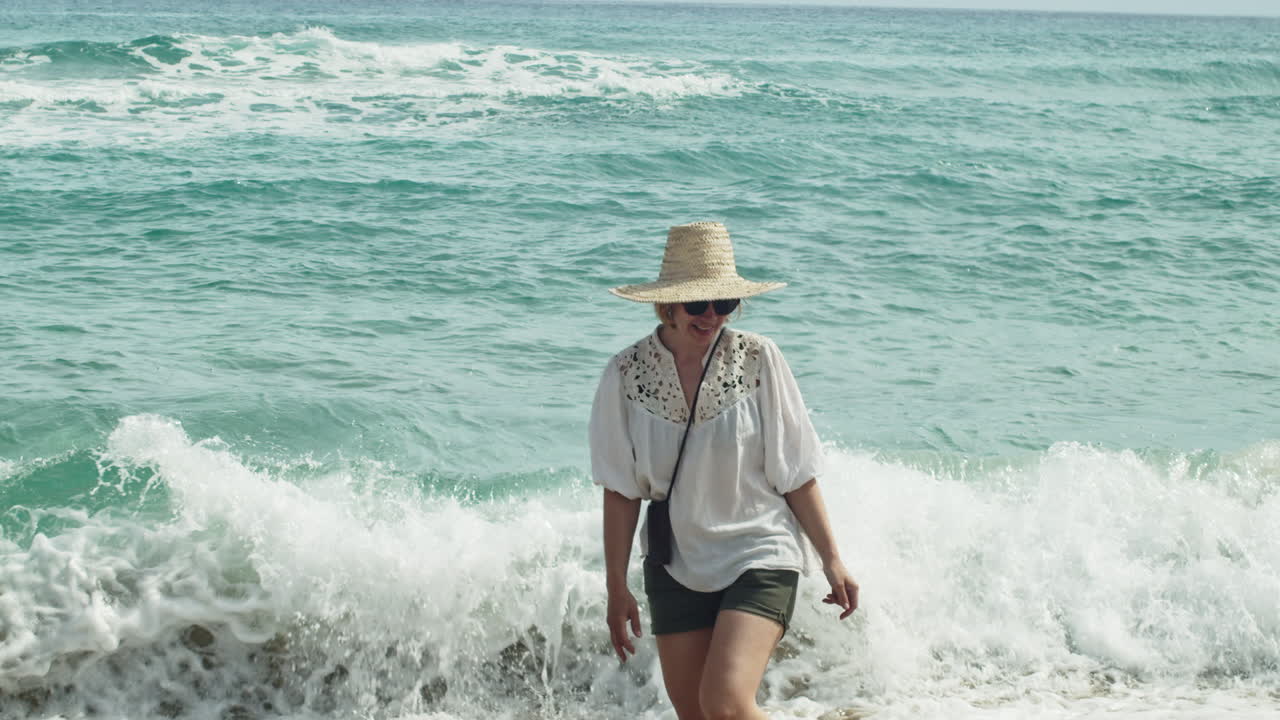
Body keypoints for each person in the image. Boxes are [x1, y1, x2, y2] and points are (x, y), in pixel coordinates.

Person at [590, 221, 858, 720]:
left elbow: (796, 472)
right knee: (697, 715)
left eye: (725, 304)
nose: (712, 316)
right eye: (698, 304)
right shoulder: (625, 375)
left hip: (759, 549)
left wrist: (832, 559)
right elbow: (621, 492)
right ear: (667, 303)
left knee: (727, 705)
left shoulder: (758, 359)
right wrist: (615, 586)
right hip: (675, 564)